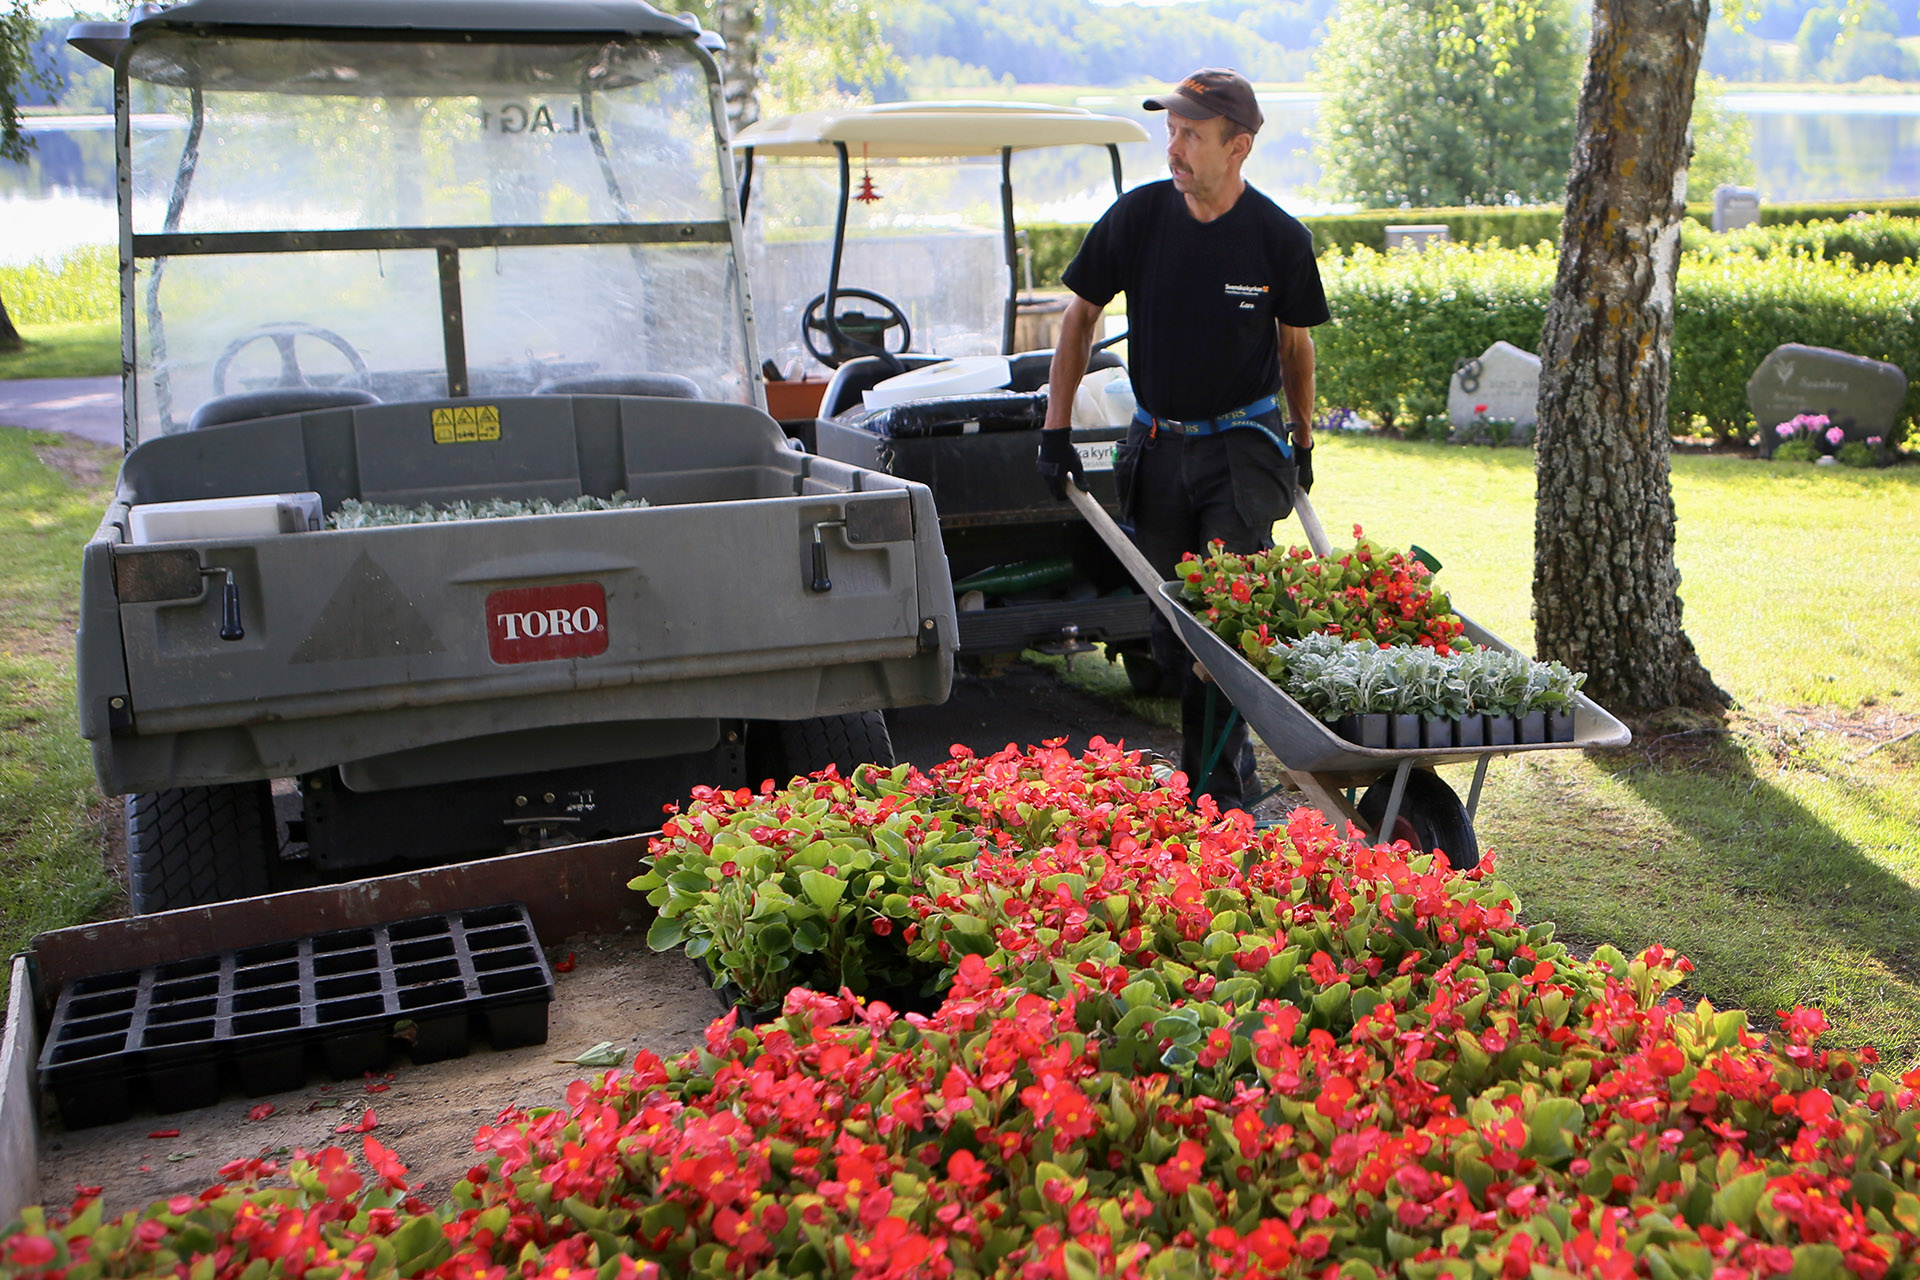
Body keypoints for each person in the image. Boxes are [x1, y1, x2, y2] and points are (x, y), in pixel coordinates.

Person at [1035, 67, 1330, 813]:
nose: (1174, 146)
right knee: (1171, 635)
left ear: (1238, 146)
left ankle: (1216, 794)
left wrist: (1301, 436)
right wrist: (1056, 427)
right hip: (1156, 449)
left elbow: (1295, 347)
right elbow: (1079, 319)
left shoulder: (1276, 239)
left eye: (1190, 133)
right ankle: (1224, 782)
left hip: (1242, 448)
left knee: (1220, 632)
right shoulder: (1136, 220)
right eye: (1170, 130)